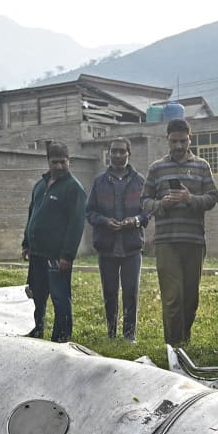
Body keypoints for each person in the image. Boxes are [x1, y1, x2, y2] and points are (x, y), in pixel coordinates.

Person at [141, 118, 218, 346]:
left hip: (194, 240)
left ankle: (184, 338)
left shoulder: (202, 166)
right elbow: (144, 200)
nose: (178, 146)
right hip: (166, 241)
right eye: (174, 141)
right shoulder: (156, 168)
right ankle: (174, 346)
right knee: (172, 297)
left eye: (182, 141)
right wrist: (161, 205)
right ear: (167, 139)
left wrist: (189, 198)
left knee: (190, 298)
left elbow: (213, 198)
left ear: (190, 138)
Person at [23, 142, 87, 343]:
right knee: (36, 295)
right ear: (48, 161)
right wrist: (26, 243)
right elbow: (31, 213)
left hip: (57, 256)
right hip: (37, 253)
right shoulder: (40, 185)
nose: (59, 166)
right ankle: (36, 330)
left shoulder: (74, 188)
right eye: (55, 162)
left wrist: (67, 255)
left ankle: (62, 336)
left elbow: (76, 224)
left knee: (60, 297)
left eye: (63, 162)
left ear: (69, 161)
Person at [86, 137, 148, 342]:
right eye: (114, 151)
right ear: (109, 154)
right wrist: (104, 221)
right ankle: (111, 334)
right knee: (110, 292)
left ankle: (129, 335)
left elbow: (148, 212)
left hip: (131, 247)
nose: (118, 155)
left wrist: (136, 220)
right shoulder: (99, 182)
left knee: (131, 292)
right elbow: (90, 212)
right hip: (107, 247)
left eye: (122, 151)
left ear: (129, 154)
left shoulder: (140, 181)